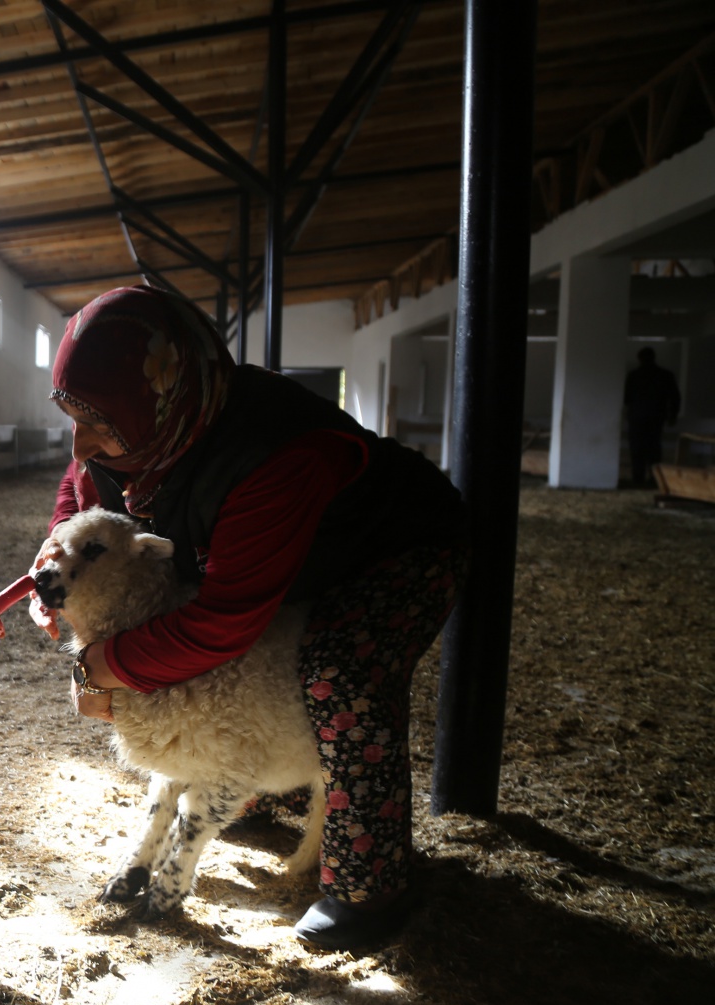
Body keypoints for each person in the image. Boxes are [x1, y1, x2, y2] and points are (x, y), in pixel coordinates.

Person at [29, 286, 466, 949]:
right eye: (72, 415)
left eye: (98, 423)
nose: (81, 441)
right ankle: (263, 787)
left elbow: (224, 620)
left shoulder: (271, 454)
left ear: (162, 398)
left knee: (335, 672)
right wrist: (59, 542)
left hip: (394, 547)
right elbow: (81, 487)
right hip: (272, 553)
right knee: (222, 677)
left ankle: (366, 881)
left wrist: (103, 666)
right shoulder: (144, 426)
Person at [624, 346, 681, 488]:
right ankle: (654, 478)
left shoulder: (634, 375)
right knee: (654, 448)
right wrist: (672, 415)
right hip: (656, 416)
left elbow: (627, 398)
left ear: (639, 359)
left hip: (638, 417)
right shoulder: (665, 375)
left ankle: (638, 478)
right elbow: (675, 398)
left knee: (637, 448)